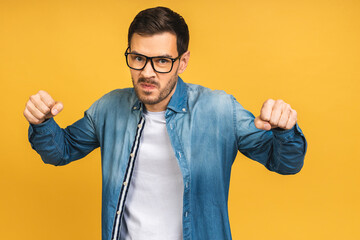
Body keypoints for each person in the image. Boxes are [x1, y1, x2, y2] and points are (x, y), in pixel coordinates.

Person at [24, 6, 307, 240]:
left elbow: (285, 163)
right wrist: (42, 122)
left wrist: (285, 130)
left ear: (182, 62)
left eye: (161, 61)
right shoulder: (109, 108)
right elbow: (60, 151)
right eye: (137, 58)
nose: (147, 72)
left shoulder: (220, 109)